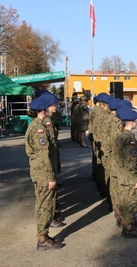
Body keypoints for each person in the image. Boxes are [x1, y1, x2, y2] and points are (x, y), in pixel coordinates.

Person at [25, 95, 64, 251]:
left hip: (42, 172)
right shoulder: (39, 129)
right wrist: (50, 177)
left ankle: (44, 236)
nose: (53, 108)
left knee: (46, 204)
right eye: (51, 106)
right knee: (45, 206)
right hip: (43, 174)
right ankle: (42, 239)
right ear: (44, 109)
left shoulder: (38, 125)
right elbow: (43, 156)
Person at [114, 107, 137, 238]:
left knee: (124, 201)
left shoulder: (120, 135)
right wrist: (136, 180)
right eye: (134, 121)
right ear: (131, 122)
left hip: (122, 176)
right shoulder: (129, 139)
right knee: (131, 203)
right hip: (129, 178)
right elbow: (132, 162)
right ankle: (129, 229)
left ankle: (127, 224)